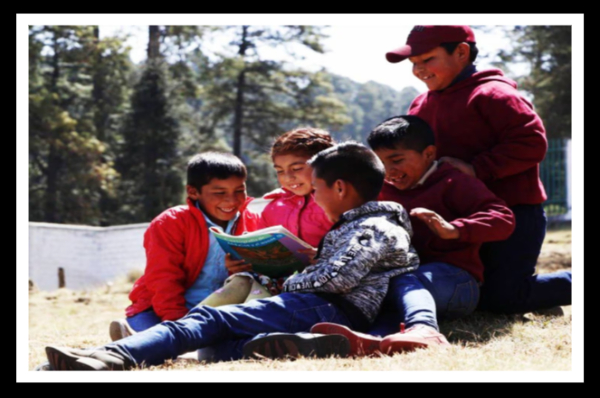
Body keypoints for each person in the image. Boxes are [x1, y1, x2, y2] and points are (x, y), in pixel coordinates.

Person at [43, 142, 420, 370]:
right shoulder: (360, 225)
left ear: (339, 187)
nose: (314, 196)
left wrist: (290, 277)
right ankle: (297, 344)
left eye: (317, 187)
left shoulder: (372, 227)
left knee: (208, 319)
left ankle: (104, 358)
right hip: (318, 307)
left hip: (322, 306)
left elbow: (336, 280)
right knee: (221, 340)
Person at [273, 115, 516, 355]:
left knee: (402, 280)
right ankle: (374, 341)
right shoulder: (379, 190)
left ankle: (425, 329)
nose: (389, 171)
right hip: (397, 279)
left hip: (456, 282)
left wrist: (454, 229)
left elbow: (503, 218)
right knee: (377, 289)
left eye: (397, 160)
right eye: (381, 163)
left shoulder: (454, 182)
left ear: (429, 153)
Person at [384, 25, 571, 314]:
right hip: (456, 219)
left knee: (502, 299)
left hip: (512, 213)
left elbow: (531, 143)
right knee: (472, 293)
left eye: (427, 60)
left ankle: (534, 292)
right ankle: (531, 293)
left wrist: (477, 168)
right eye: (414, 64)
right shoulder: (420, 104)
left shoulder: (494, 94)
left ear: (461, 52)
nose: (419, 70)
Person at [108, 152, 260, 341]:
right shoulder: (171, 223)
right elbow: (163, 278)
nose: (232, 200)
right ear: (193, 192)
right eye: (220, 193)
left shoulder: (254, 222)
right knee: (158, 336)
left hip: (222, 310)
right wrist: (179, 323)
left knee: (232, 338)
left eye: (239, 191)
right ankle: (146, 339)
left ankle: (162, 342)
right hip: (162, 310)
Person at [199, 128, 335, 307]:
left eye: (297, 168)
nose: (288, 177)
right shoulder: (273, 207)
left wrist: (322, 255)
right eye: (279, 171)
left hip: (316, 284)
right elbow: (260, 251)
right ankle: (188, 325)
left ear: (325, 165)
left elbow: (354, 248)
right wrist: (240, 263)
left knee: (256, 303)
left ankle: (243, 326)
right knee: (240, 282)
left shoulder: (337, 201)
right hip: (272, 280)